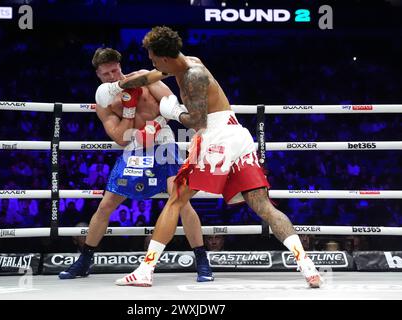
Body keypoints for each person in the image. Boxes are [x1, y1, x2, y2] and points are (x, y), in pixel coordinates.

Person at [99, 26, 322, 288]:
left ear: (165, 58)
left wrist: (173, 113)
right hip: (237, 135)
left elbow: (197, 120)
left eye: (153, 58)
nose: (152, 63)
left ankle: (145, 270)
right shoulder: (185, 62)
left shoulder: (194, 76)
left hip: (216, 138)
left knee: (175, 201)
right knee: (264, 207)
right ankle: (308, 268)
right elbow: (149, 77)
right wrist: (119, 85)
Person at [58, 47, 213, 282]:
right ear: (98, 76)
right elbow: (121, 138)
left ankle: (202, 262)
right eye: (106, 74)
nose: (113, 77)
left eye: (115, 71)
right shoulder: (105, 102)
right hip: (134, 149)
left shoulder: (143, 78)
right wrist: (129, 108)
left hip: (163, 143)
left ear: (120, 67)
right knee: (105, 205)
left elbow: (170, 101)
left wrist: (162, 120)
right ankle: (84, 261)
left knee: (181, 200)